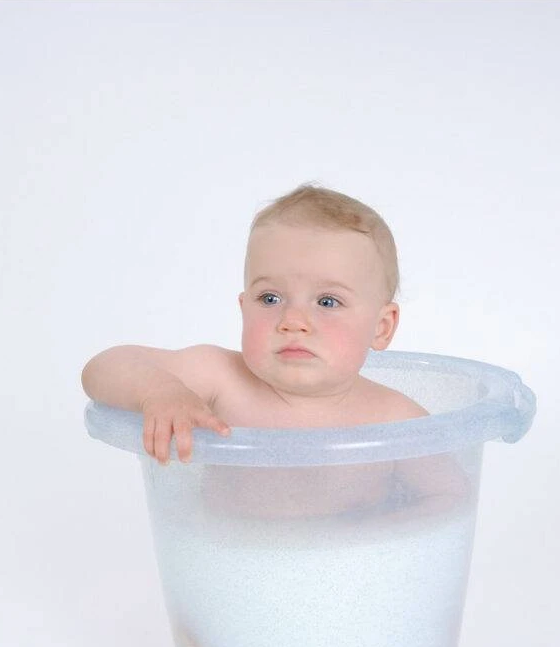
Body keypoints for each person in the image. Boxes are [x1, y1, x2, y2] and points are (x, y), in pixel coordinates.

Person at [80, 184, 470, 521]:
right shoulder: (222, 380)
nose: (293, 320)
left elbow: (450, 496)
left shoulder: (394, 419)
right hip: (226, 569)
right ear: (243, 307)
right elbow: (104, 367)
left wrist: (371, 537)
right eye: (270, 298)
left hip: (353, 575)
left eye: (328, 302)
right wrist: (160, 392)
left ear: (382, 327)